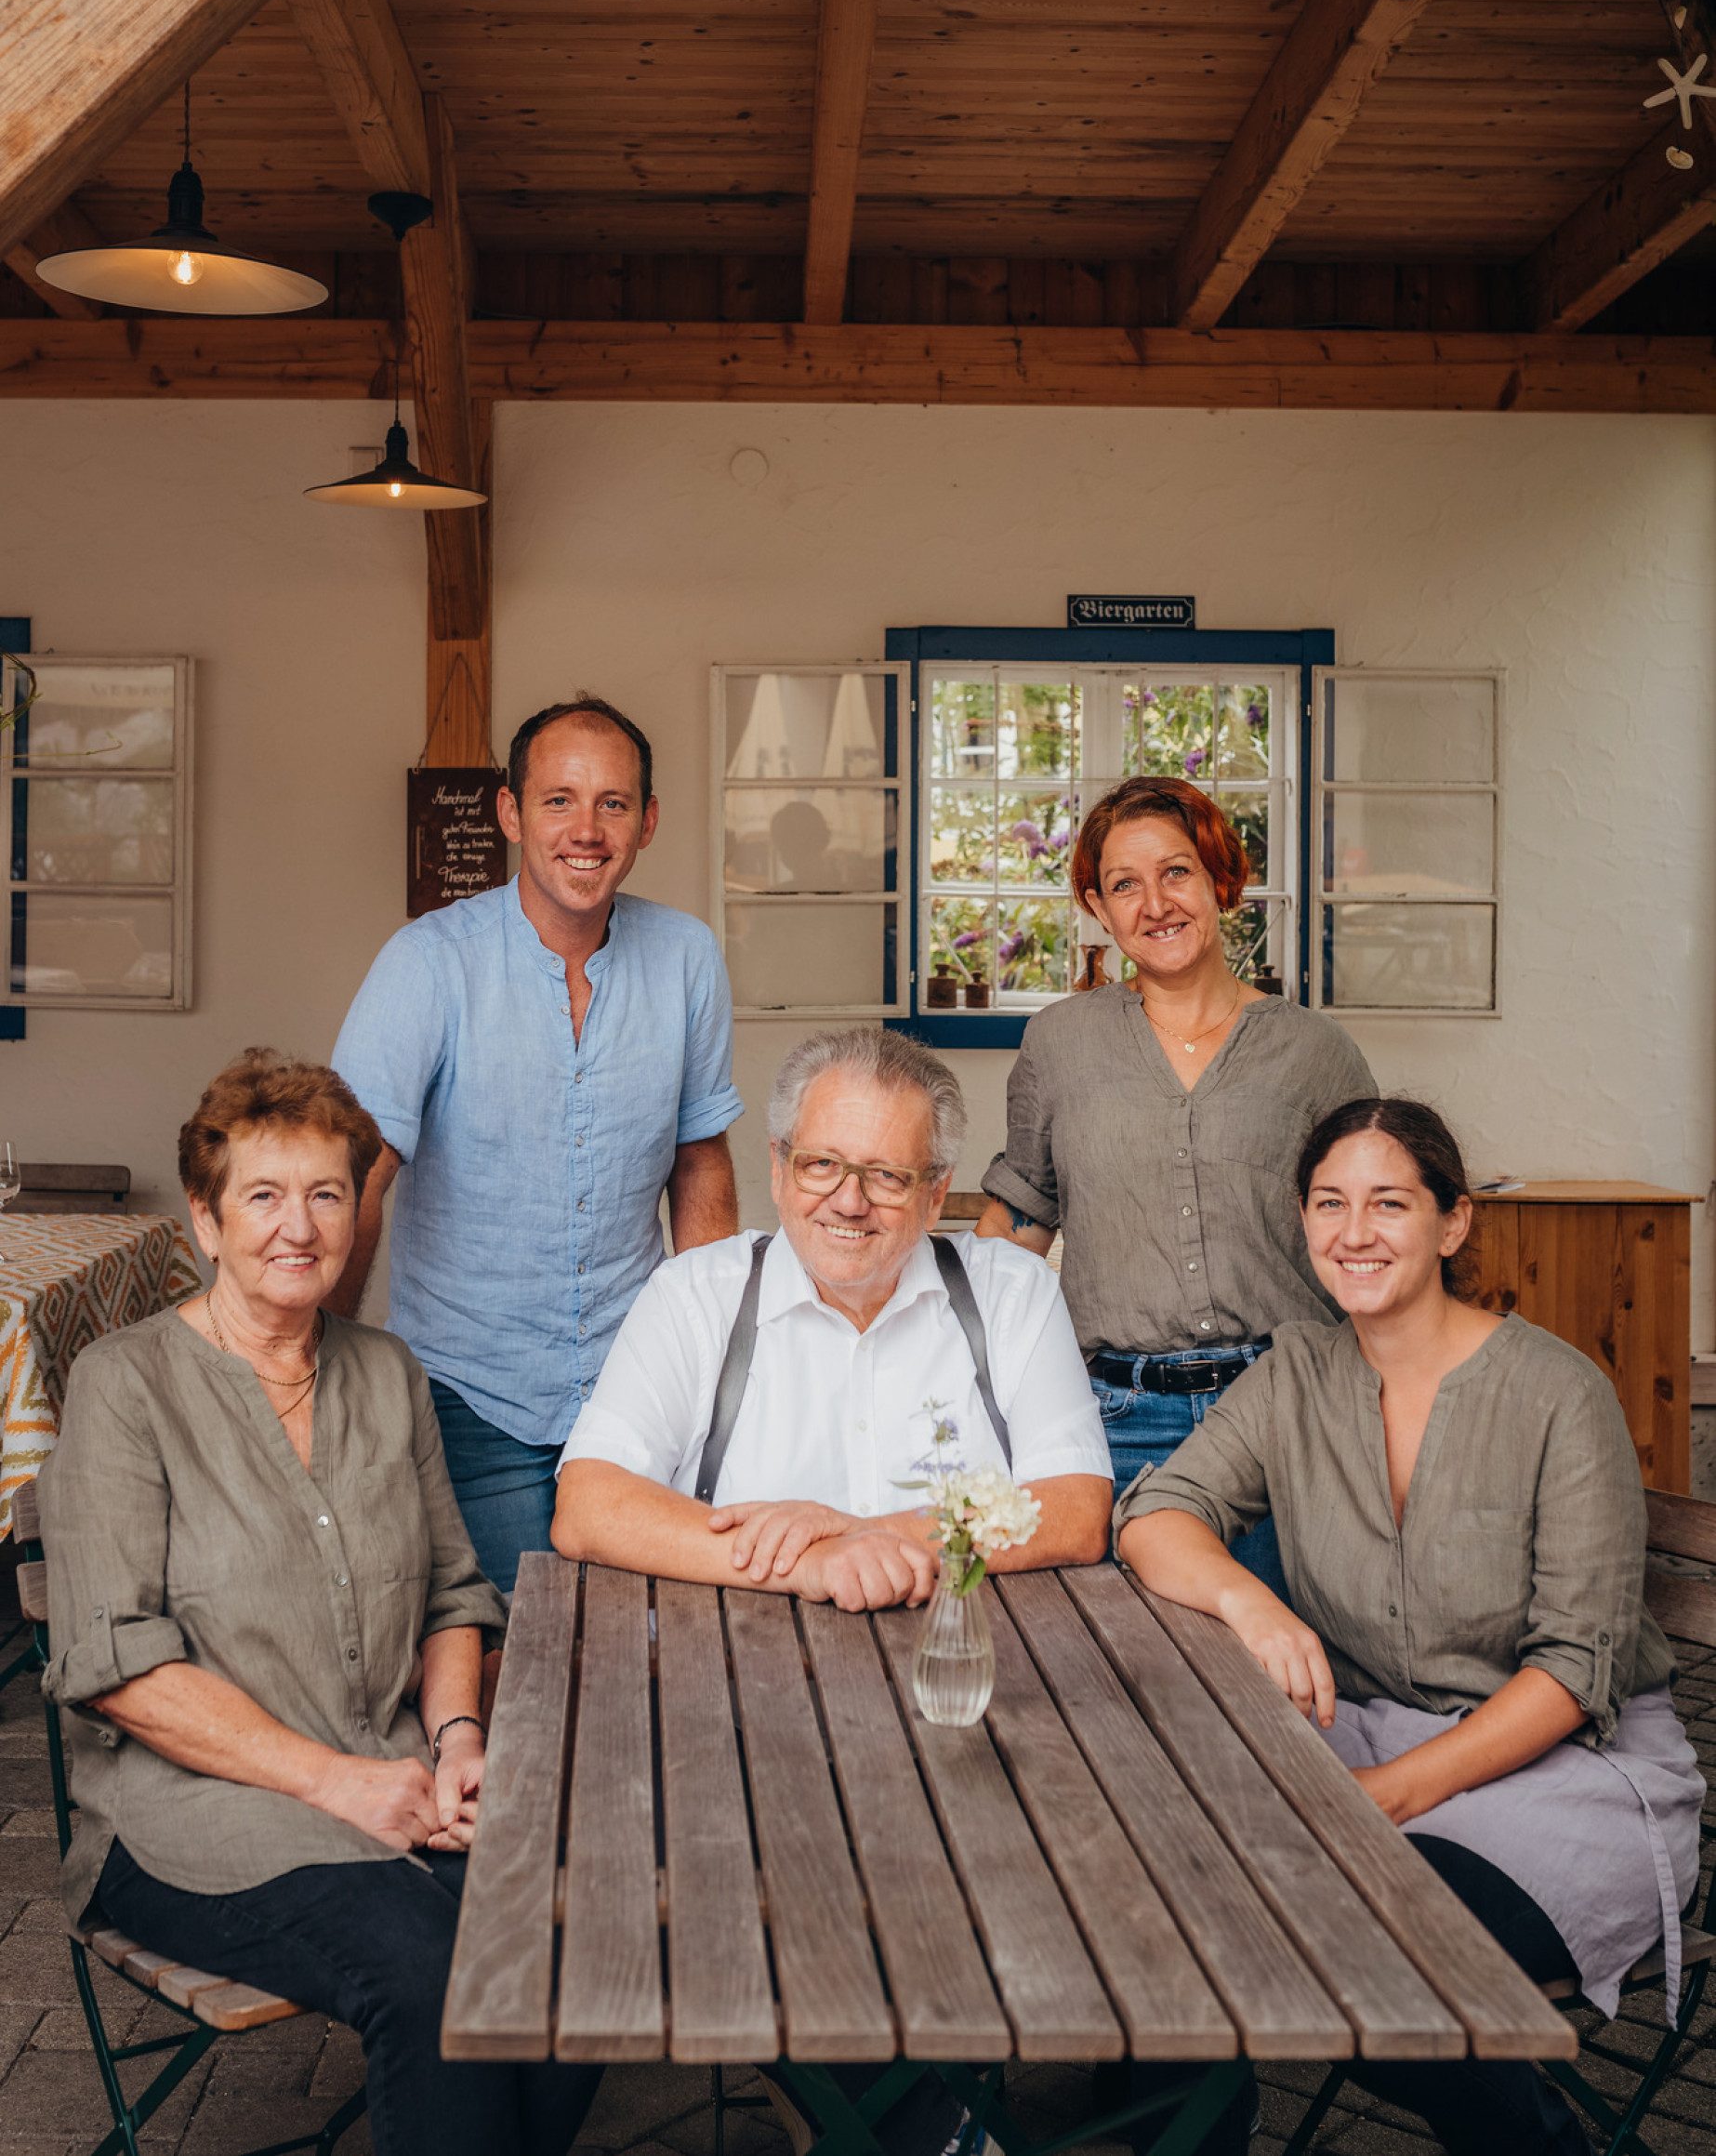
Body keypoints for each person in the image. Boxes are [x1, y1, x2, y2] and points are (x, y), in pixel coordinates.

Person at [1115, 1096, 1703, 2156]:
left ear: (1452, 1222)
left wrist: (1380, 1799)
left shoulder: (1559, 1394)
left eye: (1389, 1202)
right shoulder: (1295, 1371)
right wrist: (1248, 1598)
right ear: (1301, 1222)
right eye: (1329, 1203)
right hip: (1362, 1732)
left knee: (1364, 1943)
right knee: (1171, 1867)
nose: (1353, 1232)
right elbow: (1157, 1513)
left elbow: (1575, 1670)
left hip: (1560, 1769)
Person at [37, 1050, 600, 2156]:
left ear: (357, 1210)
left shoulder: (390, 1374)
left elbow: (450, 1591)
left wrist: (456, 1738)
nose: (298, 1226)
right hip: (196, 1813)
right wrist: (342, 1786)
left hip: (399, 1766)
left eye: (327, 1193)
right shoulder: (125, 1385)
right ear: (204, 1220)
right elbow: (122, 1675)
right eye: (262, 1195)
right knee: (436, 1968)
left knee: (587, 1924)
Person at [332, 694, 744, 1590]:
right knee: (513, 1644)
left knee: (658, 1631)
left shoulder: (688, 957)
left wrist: (715, 1353)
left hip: (641, 1381)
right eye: (558, 800)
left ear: (649, 821)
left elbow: (699, 1156)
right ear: (511, 814)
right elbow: (355, 1176)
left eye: (614, 803)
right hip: (470, 1396)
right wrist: (323, 1360)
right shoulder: (428, 962)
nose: (586, 830)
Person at [554, 1025, 1112, 1604]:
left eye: (888, 1176)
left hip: (965, 1659)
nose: (849, 1201)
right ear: (778, 1166)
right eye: (821, 1164)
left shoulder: (1010, 1293)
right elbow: (589, 1505)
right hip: (736, 1664)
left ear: (936, 1193)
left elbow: (1076, 1509)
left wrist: (863, 1536)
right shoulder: (693, 1296)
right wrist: (809, 1565)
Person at [978, 774, 1376, 1582]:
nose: (1154, 903)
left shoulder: (1316, 1053)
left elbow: (1371, 1238)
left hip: (1284, 1414)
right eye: (1125, 884)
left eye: (1176, 872)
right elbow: (1019, 1228)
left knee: (1279, 1672)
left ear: (1220, 880)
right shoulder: (1060, 1044)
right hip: (1113, 1418)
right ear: (1098, 906)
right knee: (1116, 1672)